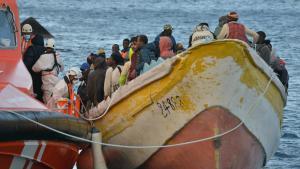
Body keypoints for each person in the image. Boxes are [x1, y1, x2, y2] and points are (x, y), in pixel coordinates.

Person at [32, 38, 64, 104]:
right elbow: (62, 69)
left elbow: (34, 69)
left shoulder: (43, 56)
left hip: (47, 83)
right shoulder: (57, 56)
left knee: (48, 102)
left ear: (46, 46)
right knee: (55, 101)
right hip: (56, 81)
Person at [23, 34, 45, 102]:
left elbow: (27, 63)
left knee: (33, 93)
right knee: (41, 94)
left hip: (32, 75)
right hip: (43, 76)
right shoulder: (45, 50)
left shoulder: (31, 49)